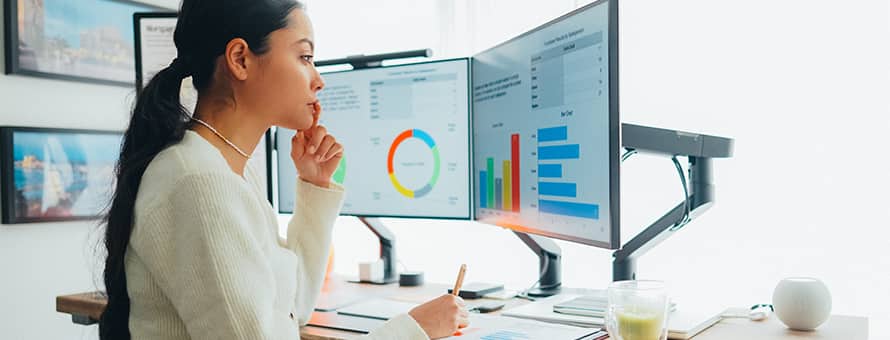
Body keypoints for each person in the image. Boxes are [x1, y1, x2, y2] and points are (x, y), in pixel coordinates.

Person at [99, 1, 468, 339]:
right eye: (305, 56)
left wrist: (314, 185)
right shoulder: (200, 183)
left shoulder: (229, 171)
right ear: (240, 59)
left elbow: (292, 309)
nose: (318, 79)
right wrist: (413, 330)